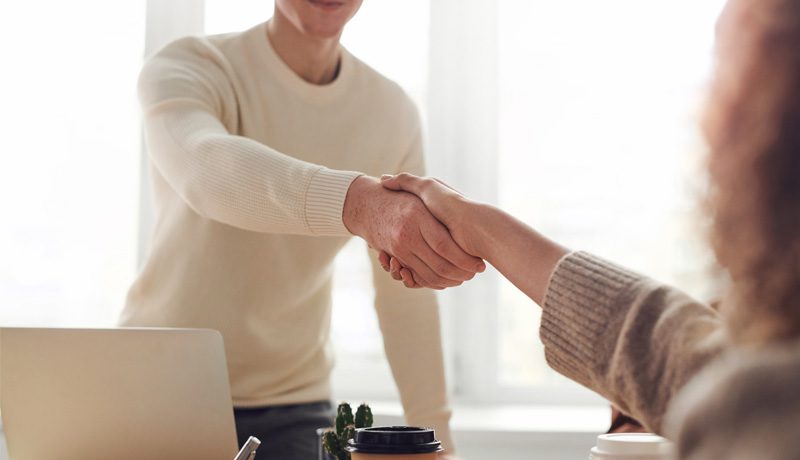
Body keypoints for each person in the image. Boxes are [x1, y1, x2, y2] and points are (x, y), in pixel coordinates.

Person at [377, 0, 800, 457]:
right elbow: (685, 356)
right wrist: (482, 227)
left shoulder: (760, 414)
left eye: (723, 74)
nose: (703, 116)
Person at [120, 0, 484, 458]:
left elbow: (405, 294)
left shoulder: (390, 112)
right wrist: (358, 204)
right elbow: (206, 170)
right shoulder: (191, 65)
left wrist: (438, 439)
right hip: (156, 387)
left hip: (293, 405)